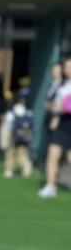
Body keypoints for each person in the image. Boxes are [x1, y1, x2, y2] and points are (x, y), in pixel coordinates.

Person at [39, 58, 71, 198]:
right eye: (66, 67)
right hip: (63, 124)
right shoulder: (61, 85)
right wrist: (54, 108)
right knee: (53, 154)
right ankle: (50, 185)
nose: (68, 69)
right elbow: (54, 103)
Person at [1, 89, 33, 178]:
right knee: (17, 152)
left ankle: (10, 169)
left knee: (13, 152)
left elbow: (8, 122)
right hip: (21, 133)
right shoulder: (27, 111)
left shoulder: (18, 110)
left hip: (17, 133)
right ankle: (13, 168)